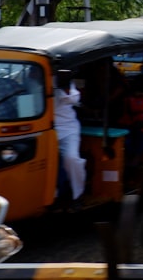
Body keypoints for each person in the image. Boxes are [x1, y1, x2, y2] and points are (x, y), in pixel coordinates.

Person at [54, 69, 85, 209]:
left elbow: (73, 98)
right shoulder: (35, 81)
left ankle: (77, 194)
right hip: (45, 129)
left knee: (71, 159)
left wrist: (63, 84)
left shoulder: (66, 84)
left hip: (68, 129)